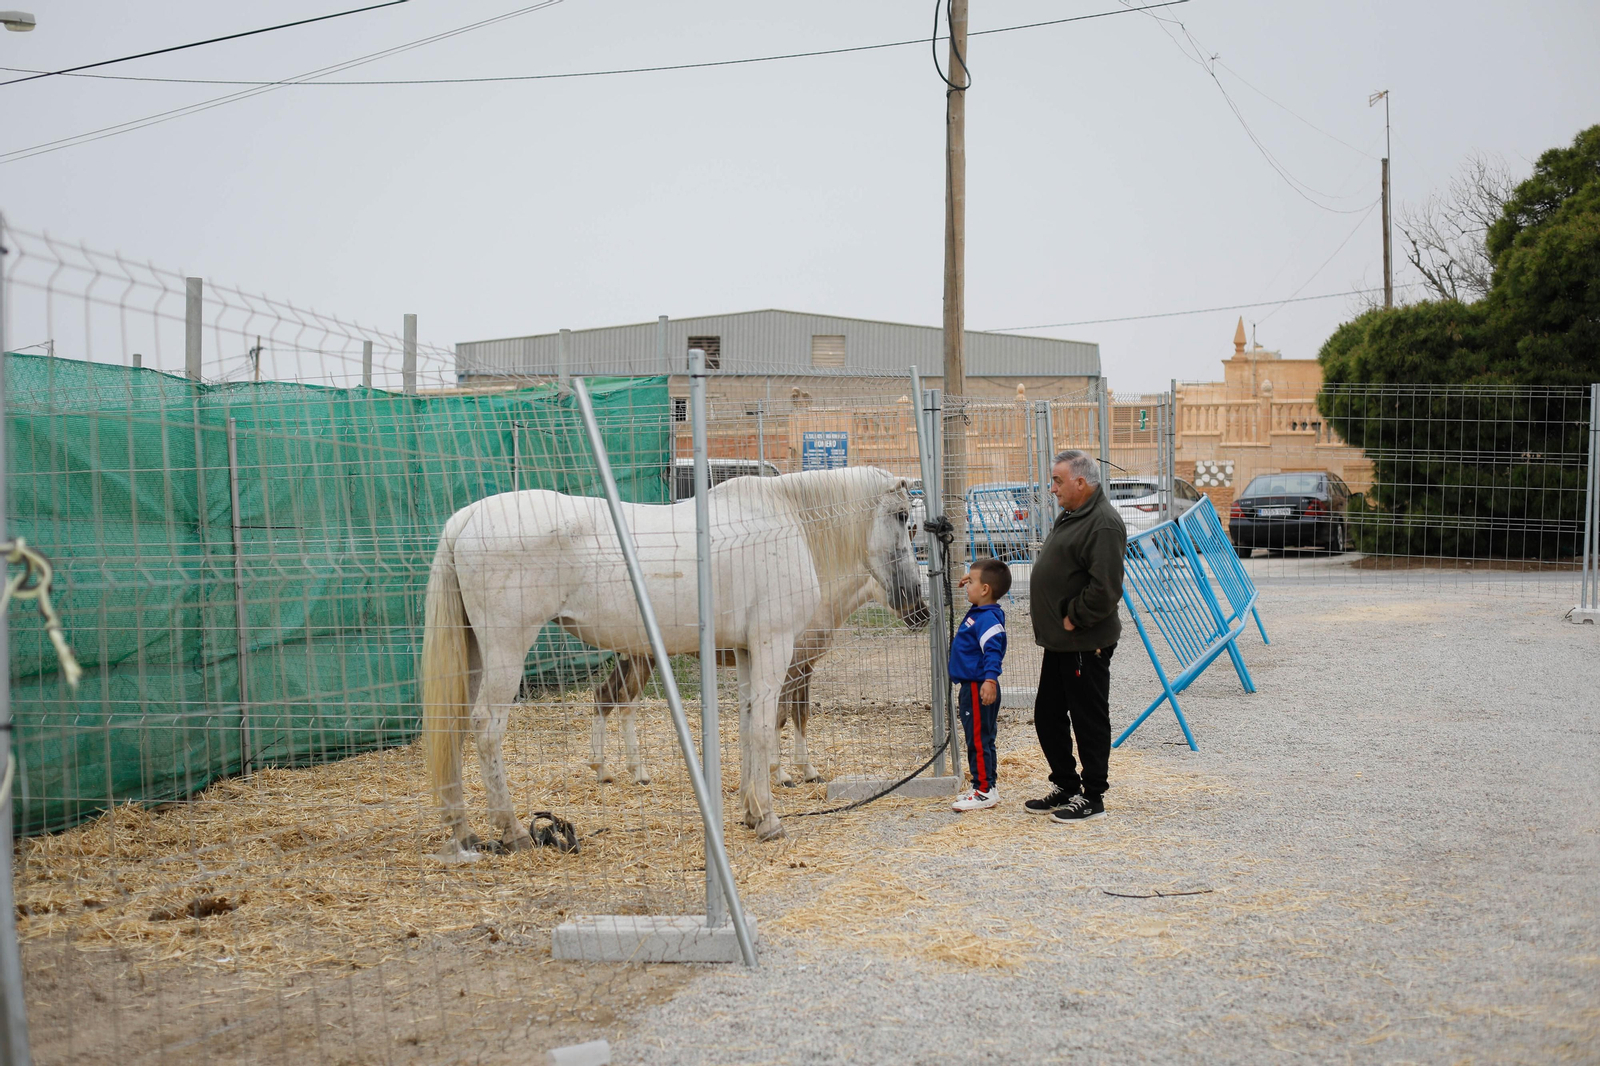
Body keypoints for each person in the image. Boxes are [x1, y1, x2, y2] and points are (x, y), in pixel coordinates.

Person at [1024, 450, 1126, 825]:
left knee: (1088, 719)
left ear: (1080, 483)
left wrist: (1073, 616)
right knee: (1048, 715)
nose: (1052, 488)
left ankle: (1093, 796)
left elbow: (1106, 588)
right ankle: (1066, 786)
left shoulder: (1103, 524)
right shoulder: (1074, 513)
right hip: (1061, 643)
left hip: (1084, 641)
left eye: (1057, 481)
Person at [948, 556, 1011, 812]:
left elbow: (993, 652)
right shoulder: (982, 610)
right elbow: (981, 593)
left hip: (977, 687)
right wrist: (974, 579)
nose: (966, 585)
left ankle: (983, 790)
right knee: (983, 737)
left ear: (985, 590)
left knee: (978, 739)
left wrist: (990, 679)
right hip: (974, 685)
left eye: (970, 582)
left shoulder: (987, 619)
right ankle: (987, 786)